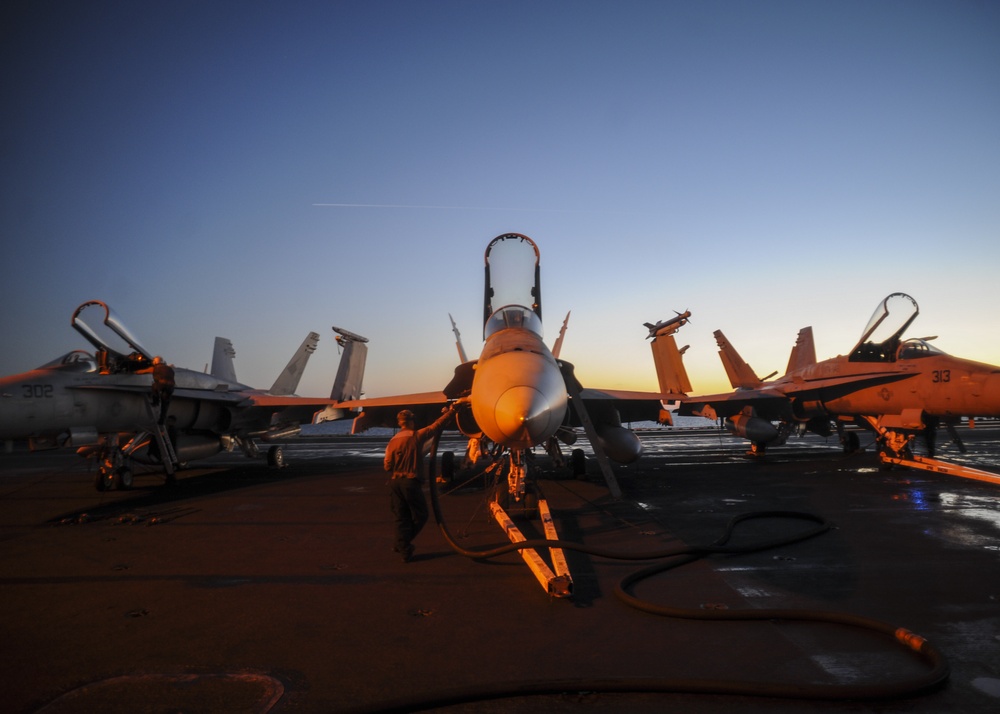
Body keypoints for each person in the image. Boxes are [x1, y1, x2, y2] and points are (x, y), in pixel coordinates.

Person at [383, 404, 457, 562]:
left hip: (395, 483)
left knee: (400, 517)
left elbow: (387, 465)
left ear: (399, 423)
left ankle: (402, 546)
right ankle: (402, 543)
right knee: (421, 515)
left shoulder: (392, 442)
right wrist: (452, 411)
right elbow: (437, 426)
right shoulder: (416, 436)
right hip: (410, 482)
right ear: (411, 421)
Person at [149, 356, 175, 425]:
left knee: (154, 386)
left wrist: (135, 372)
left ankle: (155, 402)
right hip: (170, 387)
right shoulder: (170, 369)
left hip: (161, 385)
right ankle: (161, 421)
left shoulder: (156, 368)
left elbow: (143, 371)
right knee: (165, 404)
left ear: (155, 362)